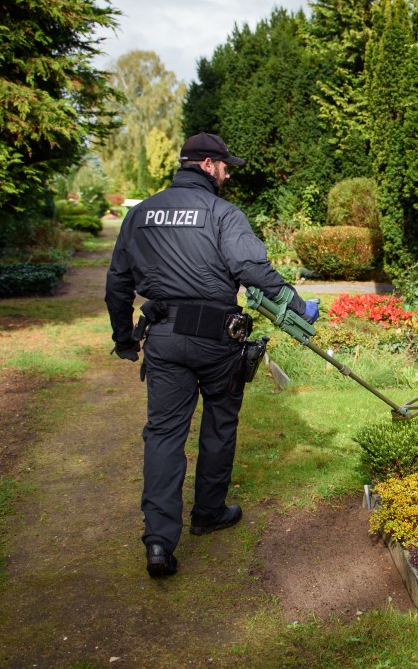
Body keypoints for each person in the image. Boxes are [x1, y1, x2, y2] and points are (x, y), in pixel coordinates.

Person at [105, 133, 317, 578]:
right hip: (217, 340)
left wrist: (125, 339)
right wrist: (299, 306)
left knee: (163, 435)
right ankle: (208, 513)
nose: (227, 173)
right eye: (224, 166)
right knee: (219, 422)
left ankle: (159, 543)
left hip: (163, 337)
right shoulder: (222, 214)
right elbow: (251, 269)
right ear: (206, 165)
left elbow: (118, 284)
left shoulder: (140, 214)